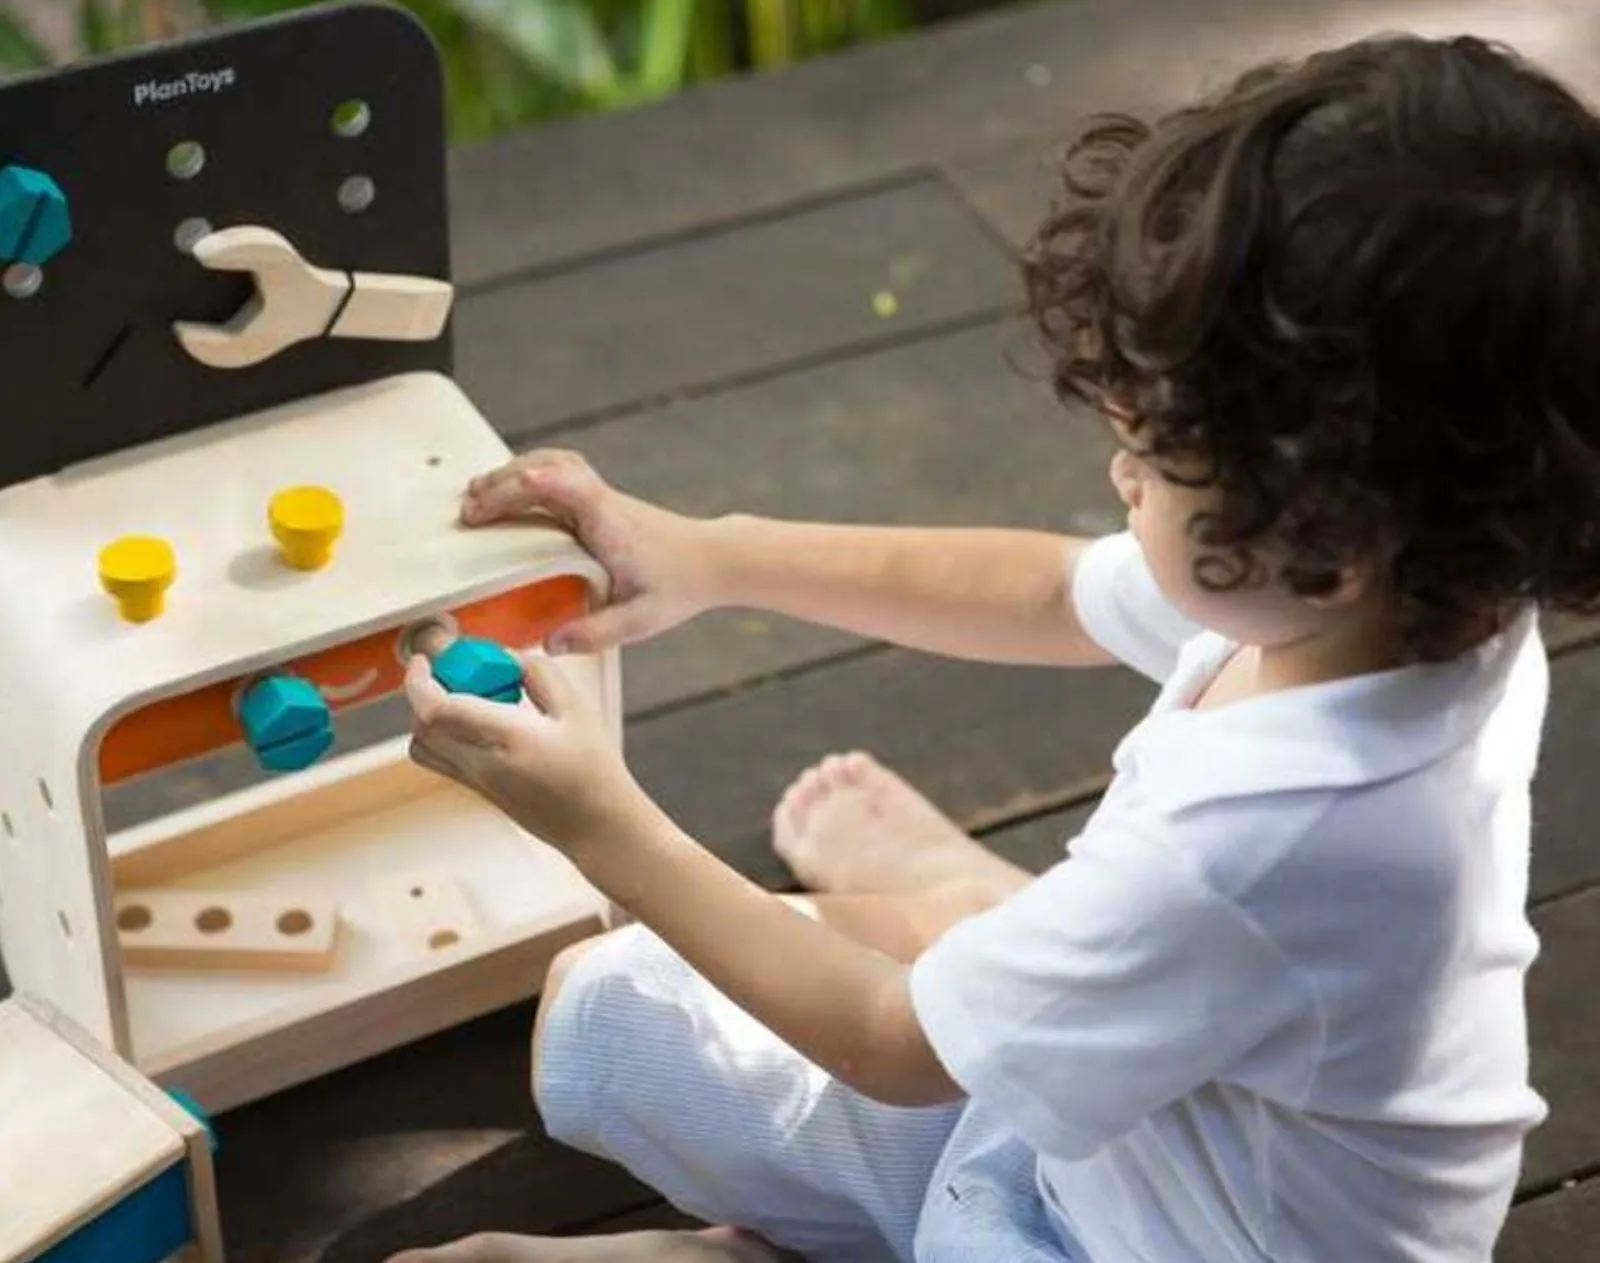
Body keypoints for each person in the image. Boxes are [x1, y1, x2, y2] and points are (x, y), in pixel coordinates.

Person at [387, 31, 1600, 1263]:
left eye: (1156, 457)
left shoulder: (1266, 843)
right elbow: (1049, 593)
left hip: (1156, 1240)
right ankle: (987, 919)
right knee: (604, 1015)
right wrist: (710, 553)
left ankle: (843, 1119)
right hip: (1110, 1124)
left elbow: (888, 1045)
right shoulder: (1420, 591)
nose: (1118, 465)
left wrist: (596, 819)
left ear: (1328, 538)